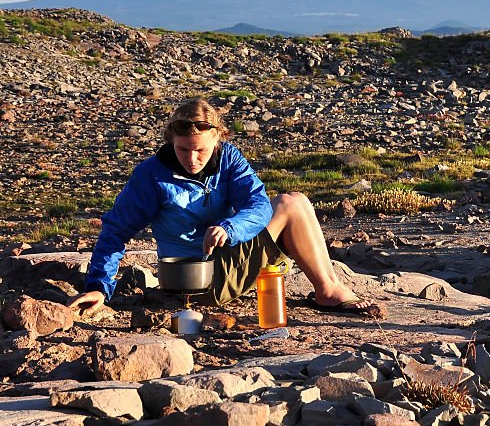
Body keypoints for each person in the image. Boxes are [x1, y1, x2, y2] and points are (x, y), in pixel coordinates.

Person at [68, 98, 382, 317]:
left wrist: (230, 229)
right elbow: (115, 231)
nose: (191, 159)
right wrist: (98, 287)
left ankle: (331, 287)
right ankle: (328, 291)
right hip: (192, 280)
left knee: (294, 201)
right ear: (170, 141)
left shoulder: (229, 159)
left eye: (201, 150)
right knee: (291, 204)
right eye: (182, 149)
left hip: (225, 258)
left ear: (218, 139)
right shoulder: (151, 175)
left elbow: (257, 206)